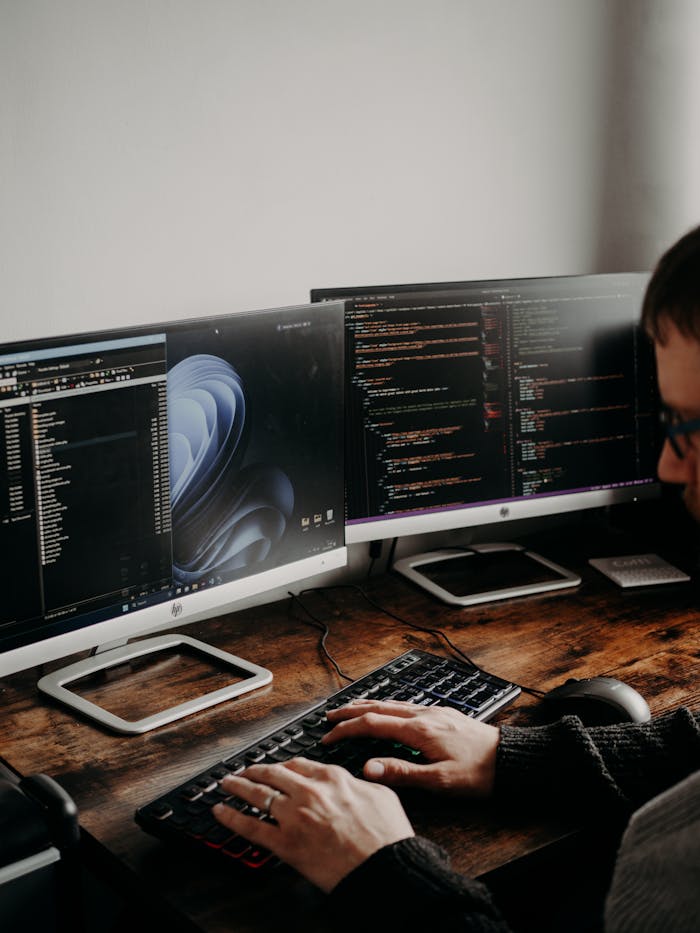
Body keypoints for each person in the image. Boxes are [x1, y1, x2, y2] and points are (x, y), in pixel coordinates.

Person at [213, 225, 700, 932]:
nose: (667, 466)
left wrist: (383, 868)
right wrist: (510, 755)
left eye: (688, 425)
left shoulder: (675, 865)